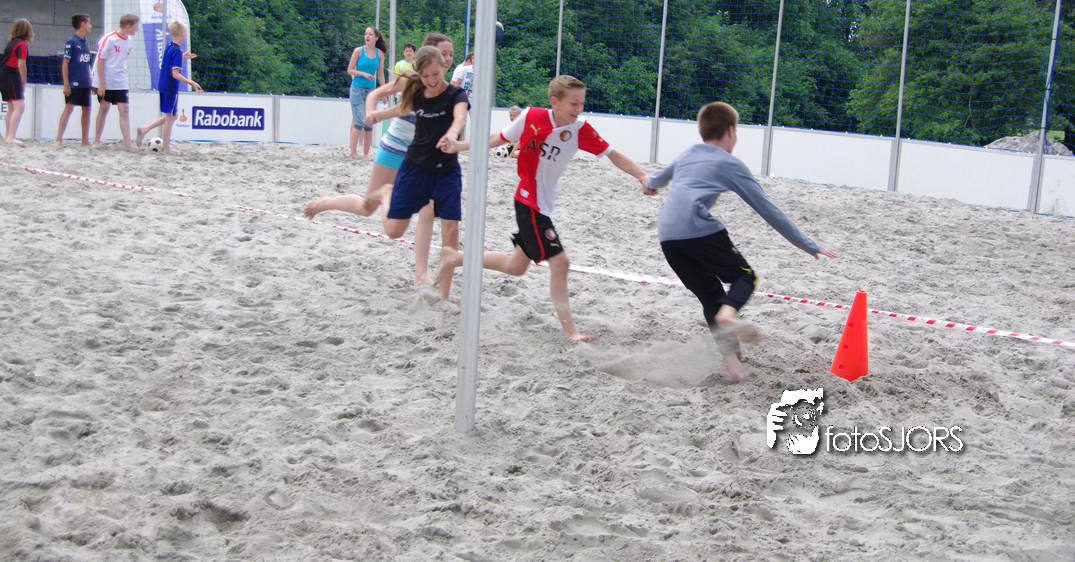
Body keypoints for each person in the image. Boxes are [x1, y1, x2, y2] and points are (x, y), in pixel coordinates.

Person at [436, 75, 655, 341]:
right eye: (573, 103)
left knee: (516, 266)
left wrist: (642, 176)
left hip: (544, 204)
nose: (578, 109)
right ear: (555, 101)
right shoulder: (531, 117)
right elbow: (497, 138)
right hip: (528, 201)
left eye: (581, 103)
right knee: (560, 263)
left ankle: (454, 258)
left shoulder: (580, 129)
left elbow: (614, 155)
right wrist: (459, 146)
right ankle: (571, 332)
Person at [645, 101, 838, 381]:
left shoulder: (688, 153)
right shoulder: (731, 164)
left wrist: (648, 184)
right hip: (698, 227)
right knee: (744, 276)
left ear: (702, 131)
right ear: (730, 131)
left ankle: (734, 364)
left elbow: (657, 180)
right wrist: (807, 244)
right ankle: (728, 317)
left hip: (667, 235)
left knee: (711, 295)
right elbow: (768, 210)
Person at [304, 33, 455, 286]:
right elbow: (375, 94)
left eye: (451, 54)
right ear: (429, 55)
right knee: (367, 208)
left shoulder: (447, 89)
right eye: (444, 53)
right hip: (394, 149)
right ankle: (326, 202)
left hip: (419, 158)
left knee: (427, 207)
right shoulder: (410, 79)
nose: (449, 58)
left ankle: (420, 274)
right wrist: (370, 113)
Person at [135, 20, 202, 153]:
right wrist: (191, 82)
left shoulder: (170, 46)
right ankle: (166, 149)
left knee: (172, 115)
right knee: (170, 118)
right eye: (186, 32)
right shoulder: (177, 50)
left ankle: (145, 129)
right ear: (182, 33)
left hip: (163, 84)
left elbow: (170, 60)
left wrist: (183, 56)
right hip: (170, 87)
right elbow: (175, 73)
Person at [92, 13, 140, 148]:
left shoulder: (130, 41)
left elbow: (124, 60)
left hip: (121, 80)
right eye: (136, 26)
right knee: (104, 108)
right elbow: (100, 61)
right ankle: (96, 140)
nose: (137, 29)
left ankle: (127, 142)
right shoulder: (109, 39)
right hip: (106, 80)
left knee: (124, 109)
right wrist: (101, 84)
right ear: (128, 26)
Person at [347, 26, 387, 158]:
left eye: (370, 34)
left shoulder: (380, 54)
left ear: (376, 38)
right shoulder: (358, 51)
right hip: (357, 89)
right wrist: (363, 74)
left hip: (371, 91)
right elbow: (350, 70)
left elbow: (380, 74)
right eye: (366, 34)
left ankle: (365, 153)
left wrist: (384, 92)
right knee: (359, 122)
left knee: (369, 122)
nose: (367, 36)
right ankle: (353, 152)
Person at [55, 14, 95, 146]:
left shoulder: (87, 43)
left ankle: (85, 140)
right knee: (69, 108)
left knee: (87, 109)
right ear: (82, 24)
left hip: (85, 82)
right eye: (89, 23)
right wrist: (66, 84)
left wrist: (90, 80)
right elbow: (65, 63)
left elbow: (86, 64)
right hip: (74, 82)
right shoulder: (72, 42)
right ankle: (58, 139)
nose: (91, 26)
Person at [0, 18, 33, 144]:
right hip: (11, 76)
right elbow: (21, 64)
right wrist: (23, 81)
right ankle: (10, 137)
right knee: (20, 106)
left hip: (4, 75)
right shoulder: (22, 44)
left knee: (11, 107)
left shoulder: (11, 43)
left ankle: (9, 136)